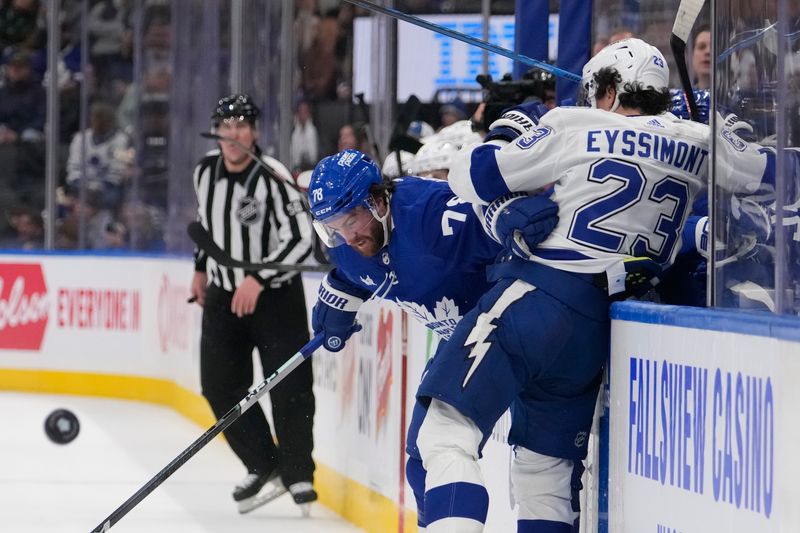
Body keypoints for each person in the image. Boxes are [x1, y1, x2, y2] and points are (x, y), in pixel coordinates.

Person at [420, 37, 747, 532]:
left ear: (611, 92)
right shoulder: (701, 143)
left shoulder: (575, 125)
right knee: (545, 478)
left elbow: (471, 176)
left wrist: (503, 131)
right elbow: (776, 171)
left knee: (445, 431)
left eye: (596, 92)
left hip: (534, 302)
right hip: (594, 335)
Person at [306, 148, 559, 531]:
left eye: (351, 218)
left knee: (536, 466)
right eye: (333, 225)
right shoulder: (348, 246)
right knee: (423, 457)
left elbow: (514, 220)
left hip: (513, 332)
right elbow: (355, 269)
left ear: (377, 199)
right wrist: (338, 295)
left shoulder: (436, 217)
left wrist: (515, 213)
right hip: (463, 340)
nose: (347, 235)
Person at [189, 94, 317, 514]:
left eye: (242, 124)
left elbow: (301, 239)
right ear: (217, 131)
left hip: (276, 296)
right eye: (226, 125)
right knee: (218, 385)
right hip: (225, 295)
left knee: (290, 386)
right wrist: (200, 269)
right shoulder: (204, 172)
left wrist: (258, 278)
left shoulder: (273, 175)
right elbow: (208, 227)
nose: (233, 133)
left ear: (255, 132)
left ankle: (298, 473)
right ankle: (264, 463)